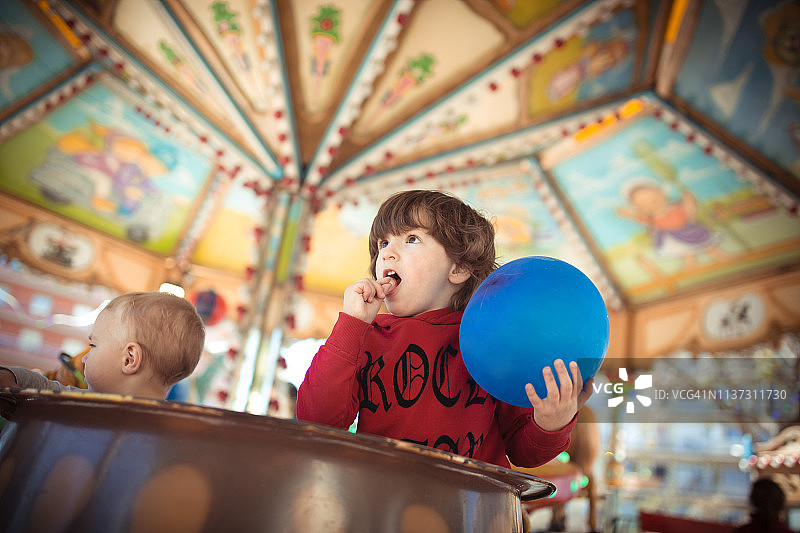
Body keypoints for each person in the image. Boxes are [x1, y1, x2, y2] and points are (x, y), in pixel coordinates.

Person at [297, 190, 593, 468]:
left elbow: (524, 453)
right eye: (382, 243)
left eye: (411, 239)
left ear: (459, 268)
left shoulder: (495, 340)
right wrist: (351, 325)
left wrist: (551, 423)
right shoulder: (367, 335)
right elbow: (317, 420)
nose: (386, 254)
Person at [0, 291, 206, 401]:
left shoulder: (85, 405)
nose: (84, 358)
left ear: (129, 359)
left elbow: (46, 390)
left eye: (93, 345)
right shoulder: (168, 432)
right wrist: (11, 377)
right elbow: (41, 386)